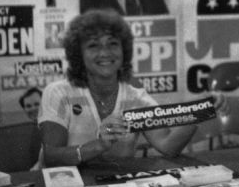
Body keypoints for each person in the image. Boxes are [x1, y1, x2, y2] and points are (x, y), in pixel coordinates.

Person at [38, 9, 225, 167]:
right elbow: (51, 157)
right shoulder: (58, 93)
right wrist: (100, 145)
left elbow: (167, 146)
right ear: (78, 54)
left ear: (123, 51)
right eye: (93, 45)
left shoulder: (136, 98)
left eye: (113, 44)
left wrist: (200, 111)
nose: (104, 53)